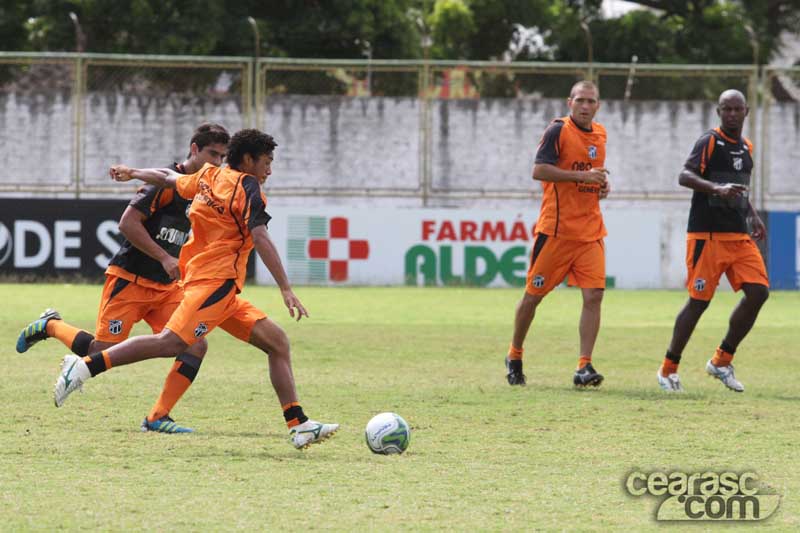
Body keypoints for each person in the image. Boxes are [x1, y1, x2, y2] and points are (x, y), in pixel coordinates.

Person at [53, 128, 338, 449]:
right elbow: (260, 236)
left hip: (216, 288)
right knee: (171, 343)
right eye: (267, 162)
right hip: (214, 286)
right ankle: (85, 366)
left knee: (277, 342)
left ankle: (298, 424)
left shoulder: (209, 176)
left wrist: (134, 172)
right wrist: (286, 287)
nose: (269, 170)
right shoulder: (248, 187)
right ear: (248, 160)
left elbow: (168, 178)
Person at [17, 123, 230, 433]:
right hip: (130, 279)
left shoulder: (203, 189)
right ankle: (50, 325)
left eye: (223, 156)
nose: (217, 162)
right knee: (99, 353)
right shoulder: (165, 183)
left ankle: (157, 417)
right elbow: (127, 223)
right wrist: (164, 257)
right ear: (194, 149)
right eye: (213, 154)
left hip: (167, 287)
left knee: (195, 345)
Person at [657, 89, 768, 393]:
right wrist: (716, 188)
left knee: (758, 293)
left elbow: (740, 190)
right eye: (726, 109)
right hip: (707, 235)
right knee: (698, 303)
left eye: (737, 109)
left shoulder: (746, 147)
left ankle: (721, 361)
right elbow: (684, 175)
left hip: (738, 235)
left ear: (746, 111)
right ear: (718, 112)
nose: (732, 114)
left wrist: (752, 214)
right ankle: (668, 369)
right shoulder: (709, 141)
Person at [505, 80, 610, 387]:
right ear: (569, 102)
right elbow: (539, 171)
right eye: (580, 100)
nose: (585, 106)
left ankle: (584, 366)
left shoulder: (601, 135)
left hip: (590, 232)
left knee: (594, 295)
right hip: (555, 232)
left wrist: (602, 185)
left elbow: (592, 175)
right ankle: (514, 354)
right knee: (532, 297)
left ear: (598, 105)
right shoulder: (558, 131)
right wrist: (582, 175)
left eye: (591, 101)